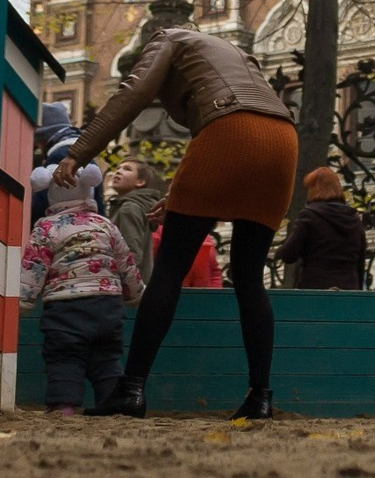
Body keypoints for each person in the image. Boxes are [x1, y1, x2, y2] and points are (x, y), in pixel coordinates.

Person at [56, 24, 299, 420]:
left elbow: (133, 94)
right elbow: (236, 144)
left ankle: (131, 389)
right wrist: (176, 198)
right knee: (250, 277)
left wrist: (79, 152)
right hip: (283, 139)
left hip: (227, 128)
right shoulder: (235, 52)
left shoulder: (169, 39)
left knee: (169, 268)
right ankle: (260, 397)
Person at [22, 162, 142, 416]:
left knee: (65, 356)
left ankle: (63, 407)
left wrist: (24, 299)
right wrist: (135, 293)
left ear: (51, 193)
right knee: (106, 358)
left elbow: (34, 265)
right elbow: (125, 261)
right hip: (108, 305)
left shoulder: (46, 227)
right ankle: (112, 405)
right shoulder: (106, 225)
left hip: (66, 305)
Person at [278, 165, 369, 290]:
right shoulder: (354, 218)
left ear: (313, 189)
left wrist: (278, 251)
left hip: (316, 289)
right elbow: (360, 261)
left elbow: (289, 255)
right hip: (348, 290)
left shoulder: (310, 216)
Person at [106, 157, 166, 282]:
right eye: (118, 168)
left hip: (126, 285)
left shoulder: (128, 208)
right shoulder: (133, 206)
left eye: (127, 169)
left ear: (140, 182)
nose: (118, 171)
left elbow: (131, 254)